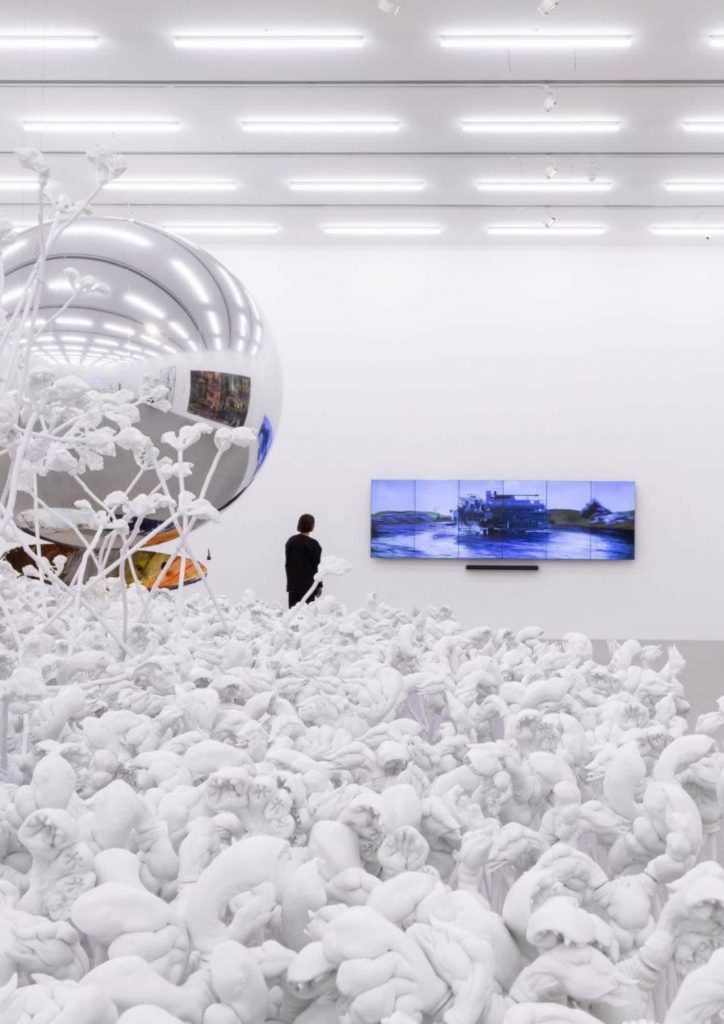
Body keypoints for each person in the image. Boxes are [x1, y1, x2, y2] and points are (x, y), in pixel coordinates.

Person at [285, 514, 322, 609]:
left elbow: (288, 564)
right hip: (309, 587)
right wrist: (319, 586)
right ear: (312, 526)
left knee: (293, 614)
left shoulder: (291, 541)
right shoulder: (314, 544)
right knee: (307, 615)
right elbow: (317, 567)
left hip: (293, 586)